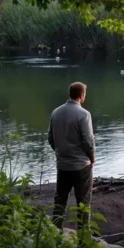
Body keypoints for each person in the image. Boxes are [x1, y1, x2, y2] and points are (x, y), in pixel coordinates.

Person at [47, 82, 95, 229]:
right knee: (83, 201)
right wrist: (92, 158)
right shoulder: (84, 114)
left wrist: (60, 152)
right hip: (81, 166)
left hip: (62, 165)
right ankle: (82, 238)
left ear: (70, 94)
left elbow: (50, 138)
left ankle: (55, 233)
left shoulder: (56, 112)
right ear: (81, 95)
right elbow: (88, 140)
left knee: (60, 199)